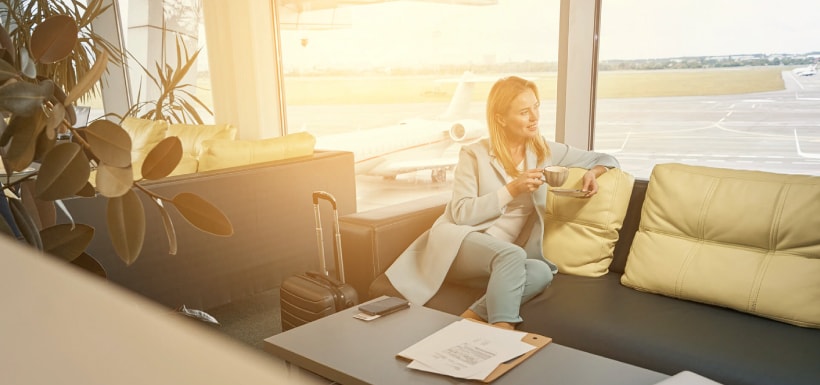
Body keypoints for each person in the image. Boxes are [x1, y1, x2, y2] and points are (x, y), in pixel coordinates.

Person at [384, 76, 620, 330]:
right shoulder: (473, 154)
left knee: (540, 272)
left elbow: (606, 158)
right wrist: (511, 189)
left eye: (536, 107)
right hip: (460, 243)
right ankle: (502, 333)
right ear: (500, 118)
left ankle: (472, 317)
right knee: (512, 255)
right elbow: (462, 214)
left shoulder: (544, 152)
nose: (534, 117)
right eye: (524, 112)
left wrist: (592, 173)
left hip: (500, 256)